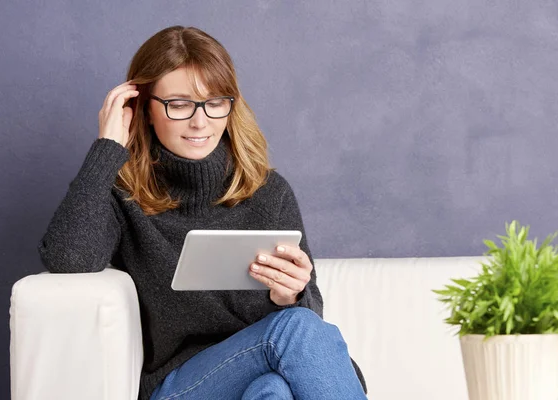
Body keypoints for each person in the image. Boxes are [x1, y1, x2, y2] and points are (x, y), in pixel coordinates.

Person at [38, 25, 367, 400]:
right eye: (179, 105)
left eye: (215, 102)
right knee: (295, 330)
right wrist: (107, 149)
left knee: (272, 390)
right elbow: (68, 257)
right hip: (180, 386)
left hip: (262, 372)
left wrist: (290, 295)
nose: (201, 121)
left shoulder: (268, 192)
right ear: (144, 109)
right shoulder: (122, 195)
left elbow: (310, 315)